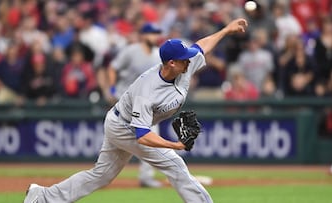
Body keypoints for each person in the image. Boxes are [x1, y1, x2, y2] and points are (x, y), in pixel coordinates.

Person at [23, 17, 248, 203]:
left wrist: (227, 30)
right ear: (170, 63)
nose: (189, 61)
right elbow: (141, 135)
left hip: (122, 121)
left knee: (100, 176)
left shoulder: (183, 67)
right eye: (183, 60)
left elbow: (201, 46)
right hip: (125, 127)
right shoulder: (147, 90)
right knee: (175, 164)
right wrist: (174, 145)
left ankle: (41, 197)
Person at [104, 23, 163, 188]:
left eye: (156, 33)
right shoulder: (131, 51)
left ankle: (146, 177)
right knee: (115, 143)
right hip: (125, 101)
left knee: (151, 139)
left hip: (144, 105)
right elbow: (112, 68)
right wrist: (112, 87)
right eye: (151, 33)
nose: (155, 36)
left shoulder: (158, 54)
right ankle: (102, 175)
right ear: (143, 35)